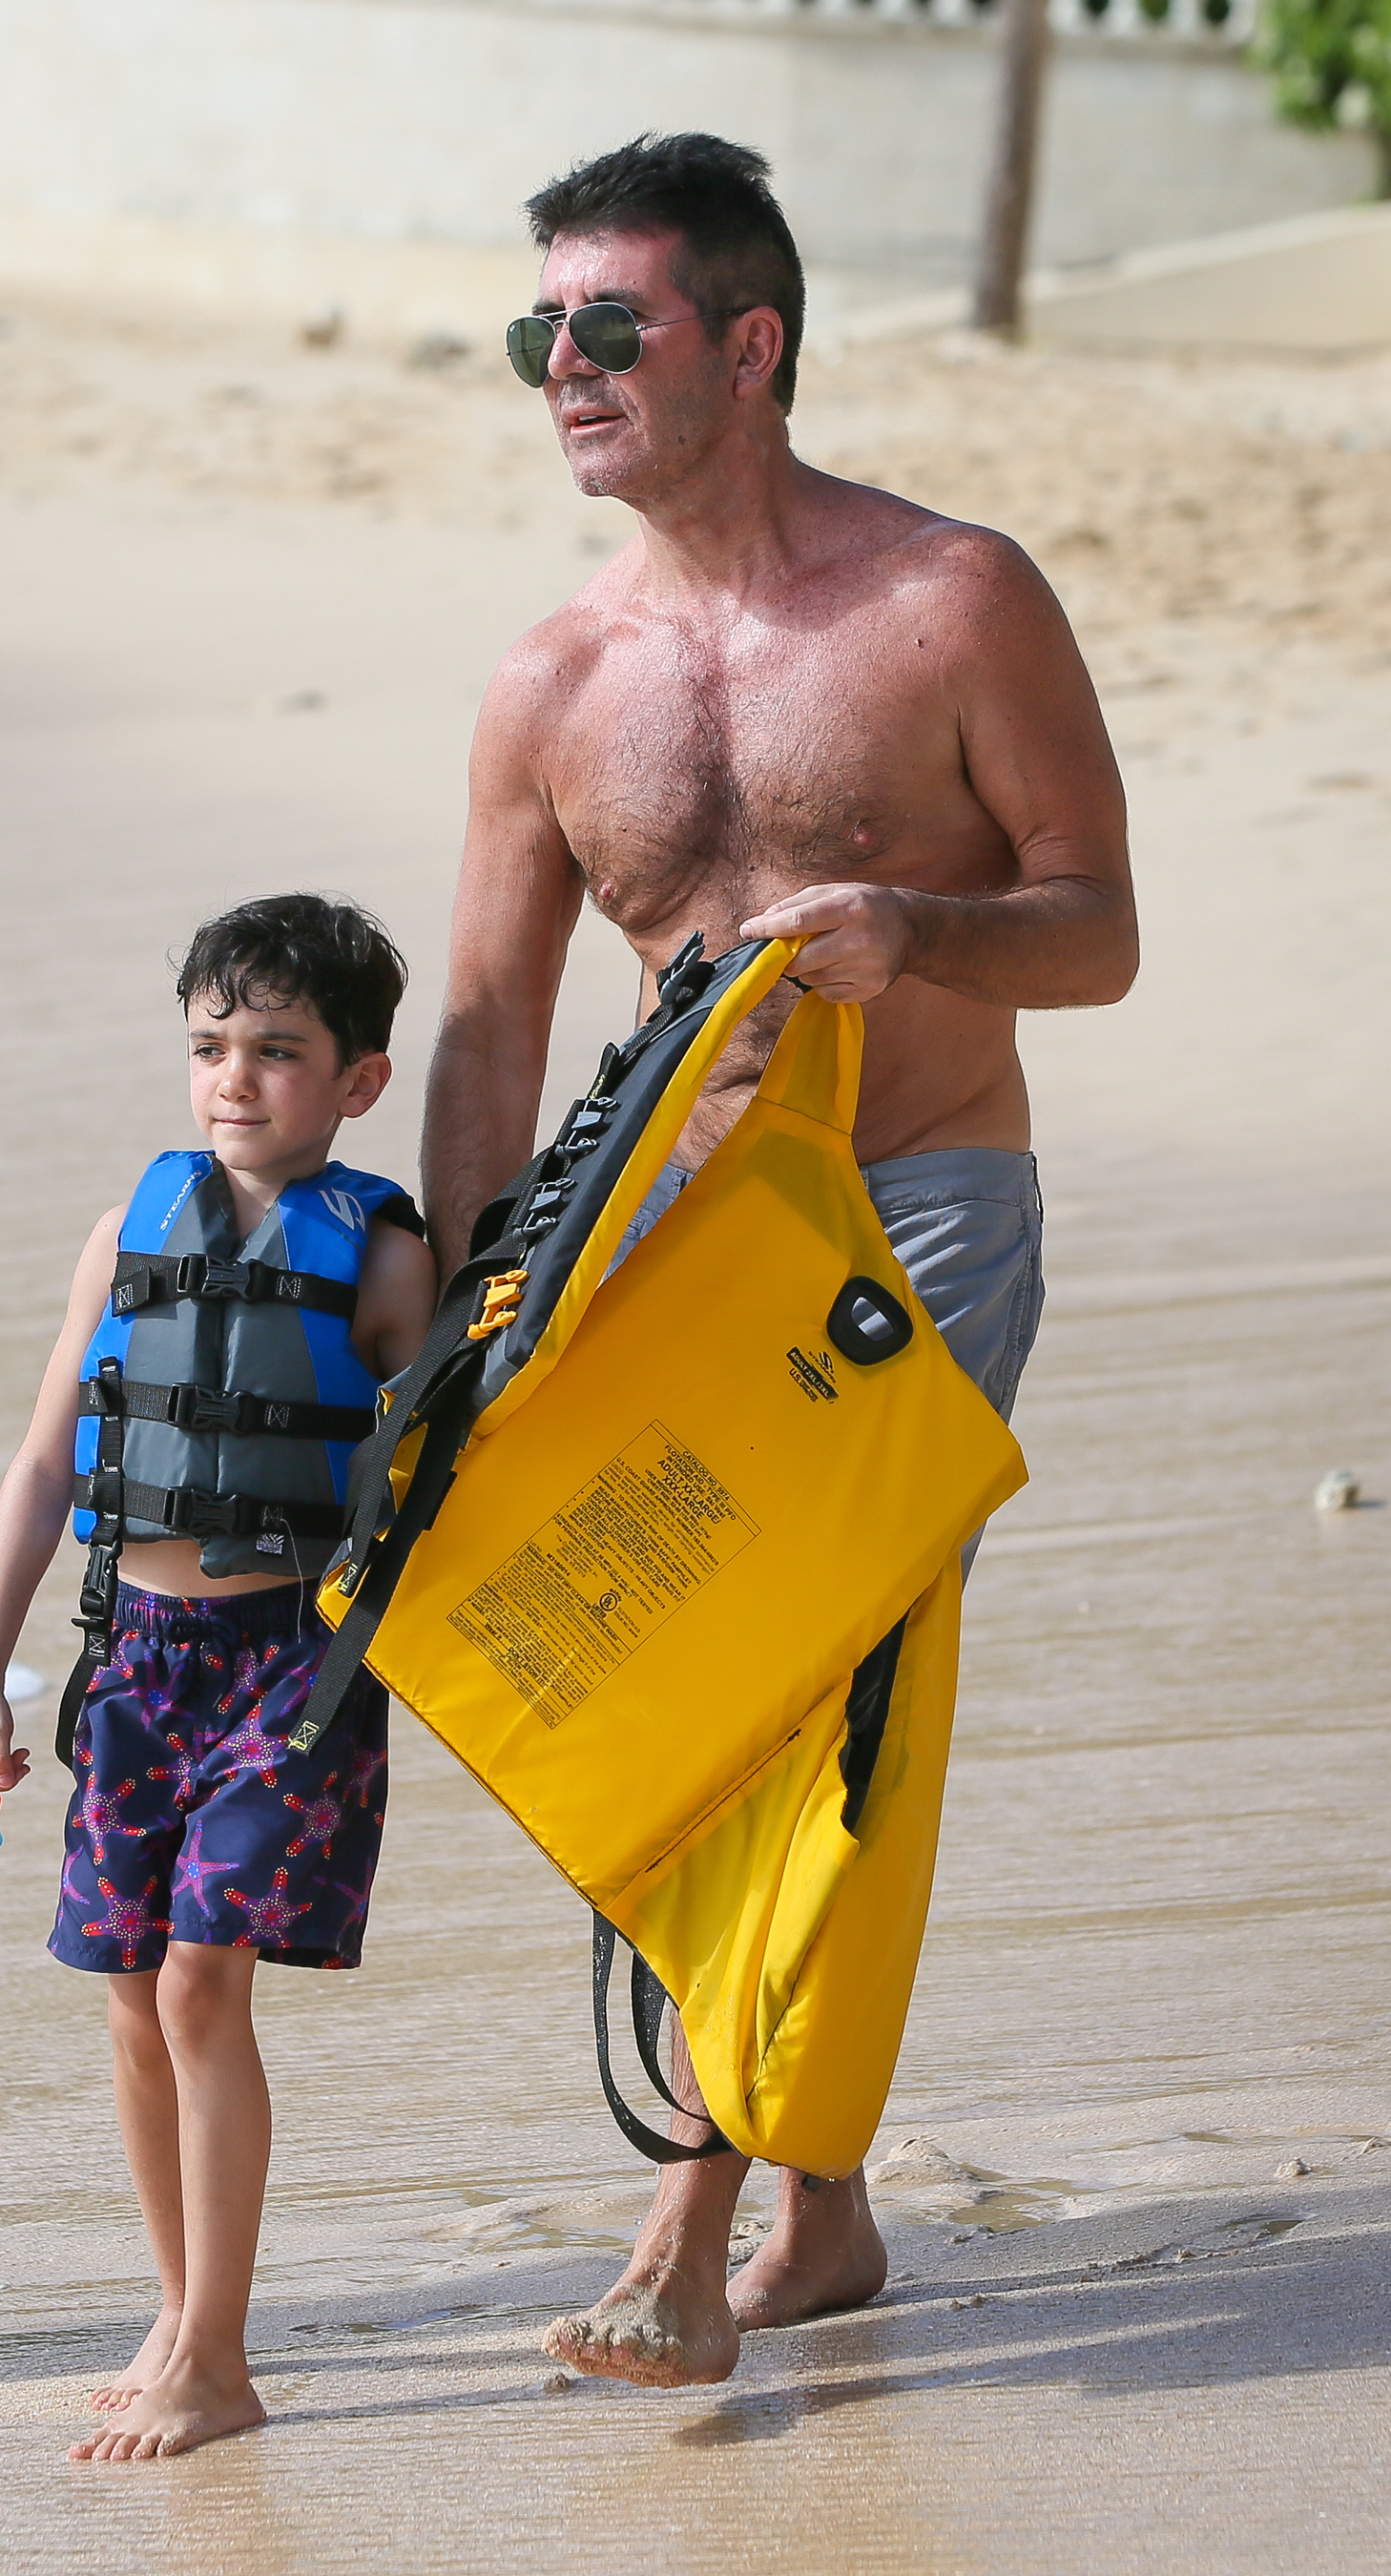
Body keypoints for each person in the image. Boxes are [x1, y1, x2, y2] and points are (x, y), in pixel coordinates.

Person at [421, 133, 1137, 2390]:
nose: (563, 365)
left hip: (919, 1208)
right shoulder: (554, 682)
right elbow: (486, 1037)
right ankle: (821, 2211)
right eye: (540, 328)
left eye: (606, 324)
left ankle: (690, 2210)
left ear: (752, 342)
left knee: (800, 1675)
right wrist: (446, 1329)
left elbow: (1101, 931)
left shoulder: (952, 601)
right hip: (667, 1246)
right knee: (661, 1690)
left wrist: (918, 928)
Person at [0, 893, 436, 2458]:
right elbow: (41, 1467)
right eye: (211, 1047)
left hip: (295, 1669)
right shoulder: (126, 1228)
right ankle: (179, 2312)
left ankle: (218, 2358)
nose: (235, 1080)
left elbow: (435, 1483)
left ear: (358, 1079)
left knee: (198, 1980)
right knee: (125, 2000)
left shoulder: (383, 1246)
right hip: (136, 1662)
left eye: (279, 1052)